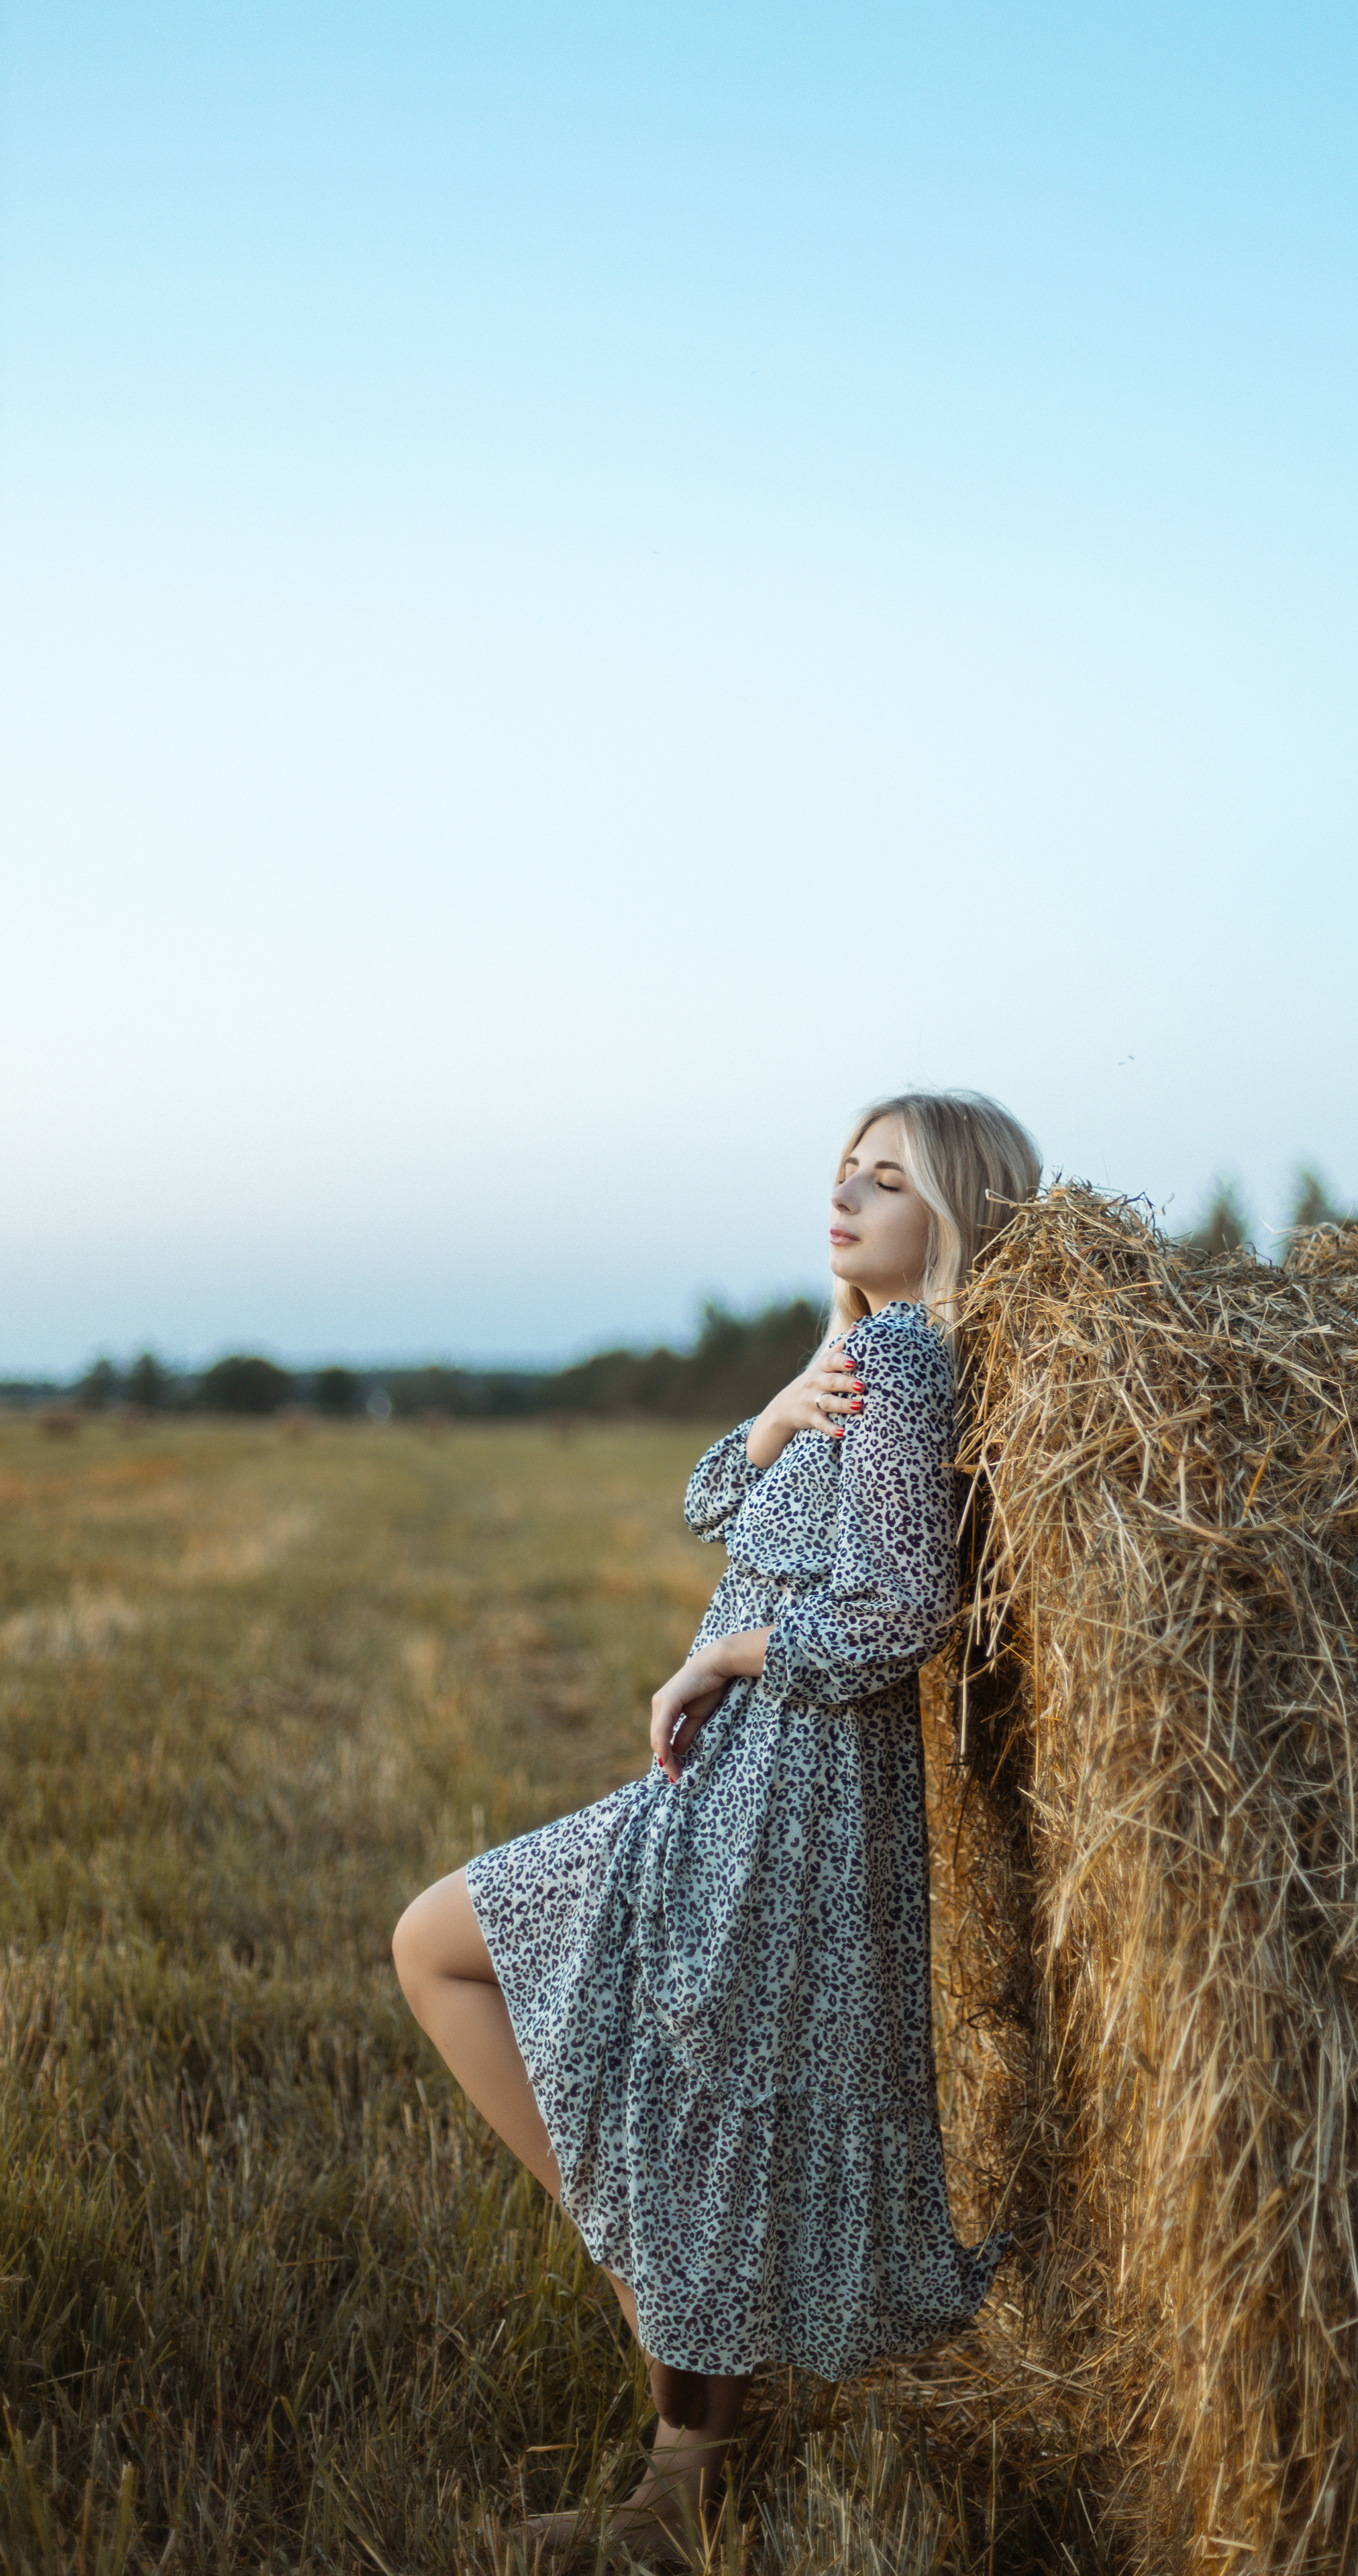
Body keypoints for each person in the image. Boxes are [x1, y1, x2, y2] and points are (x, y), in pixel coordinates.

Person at [392, 1089, 1041, 2565]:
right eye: (843, 1171)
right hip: (762, 1777)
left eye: (889, 1181)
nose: (848, 1197)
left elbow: (896, 1612)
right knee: (702, 2095)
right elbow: (710, 1503)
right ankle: (677, 2430)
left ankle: (663, 2334)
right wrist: (767, 1419)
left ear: (954, 1217)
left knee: (451, 1949)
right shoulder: (854, 1359)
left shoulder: (896, 1360)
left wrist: (720, 1659)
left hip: (778, 1785)